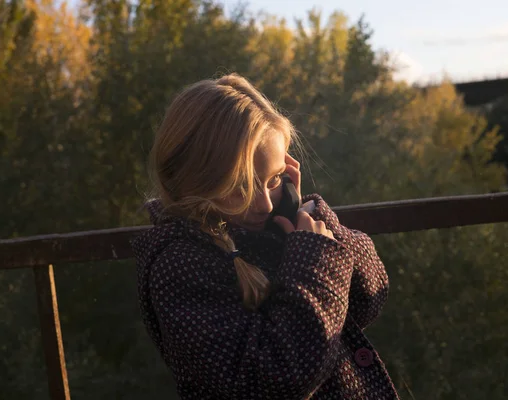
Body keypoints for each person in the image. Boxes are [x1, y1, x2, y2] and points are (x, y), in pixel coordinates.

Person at [131, 74, 399, 399]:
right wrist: (315, 265)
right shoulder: (181, 266)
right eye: (240, 186)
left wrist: (310, 218)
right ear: (193, 182)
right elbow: (274, 379)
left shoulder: (282, 228)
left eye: (273, 180)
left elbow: (367, 301)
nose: (263, 203)